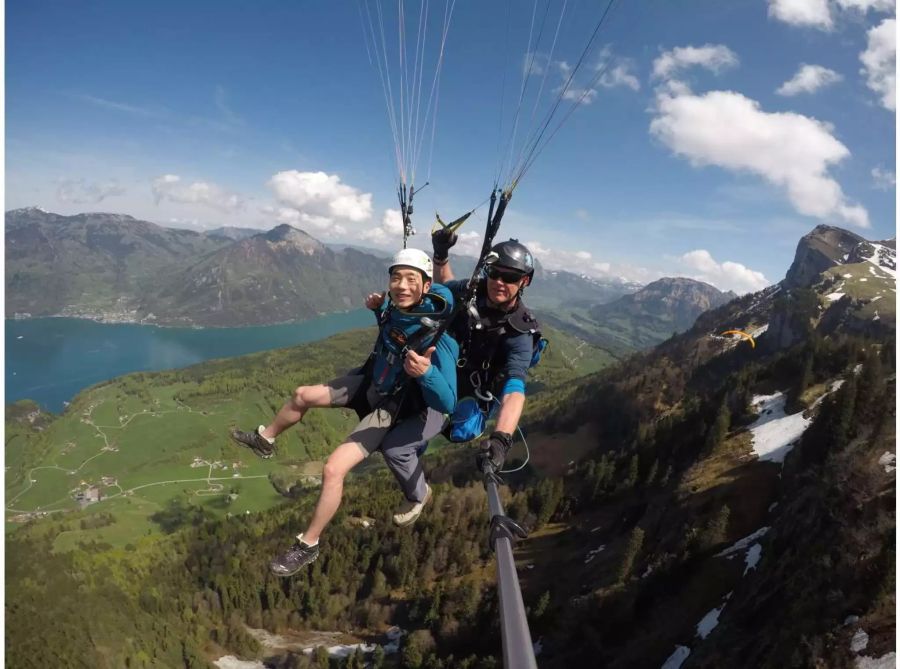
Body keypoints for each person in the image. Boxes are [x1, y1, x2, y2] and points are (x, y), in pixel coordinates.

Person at [230, 248, 459, 576]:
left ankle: (308, 545)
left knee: (333, 469)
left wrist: (426, 374)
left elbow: (448, 403)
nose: (402, 285)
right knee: (301, 395)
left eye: (411, 279)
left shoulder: (439, 336)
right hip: (369, 383)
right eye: (396, 278)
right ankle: (265, 440)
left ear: (426, 286)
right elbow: (391, 327)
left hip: (389, 406)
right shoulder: (395, 309)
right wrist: (376, 307)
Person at [431, 228, 542, 474]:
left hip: (476, 389)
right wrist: (441, 255)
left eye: (510, 277)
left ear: (525, 281)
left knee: (459, 429)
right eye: (494, 272)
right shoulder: (475, 290)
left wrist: (501, 439)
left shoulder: (520, 330)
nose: (500, 282)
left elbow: (515, 388)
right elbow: (446, 288)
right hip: (449, 367)